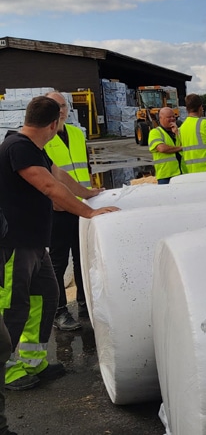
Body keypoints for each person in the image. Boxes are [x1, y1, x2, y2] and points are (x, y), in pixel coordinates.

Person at [0, 97, 119, 391]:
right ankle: (5, 370)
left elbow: (59, 176)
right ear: (54, 124)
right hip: (14, 244)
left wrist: (88, 193)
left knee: (46, 297)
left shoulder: (32, 148)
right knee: (13, 308)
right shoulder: (17, 148)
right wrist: (89, 213)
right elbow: (50, 187)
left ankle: (33, 361)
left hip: (34, 243)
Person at [43, 92, 92, 332]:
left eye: (63, 106)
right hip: (57, 208)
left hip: (79, 205)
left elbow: (85, 167)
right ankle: (59, 310)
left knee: (82, 257)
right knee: (58, 262)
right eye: (55, 106)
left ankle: (84, 302)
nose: (60, 110)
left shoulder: (76, 133)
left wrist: (90, 192)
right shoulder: (44, 136)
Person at [179, 94, 206, 173]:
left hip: (191, 172)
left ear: (187, 109)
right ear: (201, 107)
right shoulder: (205, 124)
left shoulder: (182, 127)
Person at [148, 107, 183, 185]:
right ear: (161, 118)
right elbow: (162, 148)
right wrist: (180, 148)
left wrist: (177, 133)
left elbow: (185, 143)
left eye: (173, 116)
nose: (172, 119)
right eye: (169, 117)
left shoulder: (178, 131)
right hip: (165, 176)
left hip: (180, 172)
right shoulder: (155, 132)